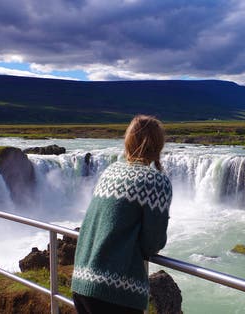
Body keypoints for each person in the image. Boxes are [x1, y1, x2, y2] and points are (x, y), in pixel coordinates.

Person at [71, 115, 173, 313]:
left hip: (82, 282)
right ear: (159, 144)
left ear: (129, 140)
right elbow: (153, 242)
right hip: (115, 291)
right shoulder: (156, 182)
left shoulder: (111, 171)